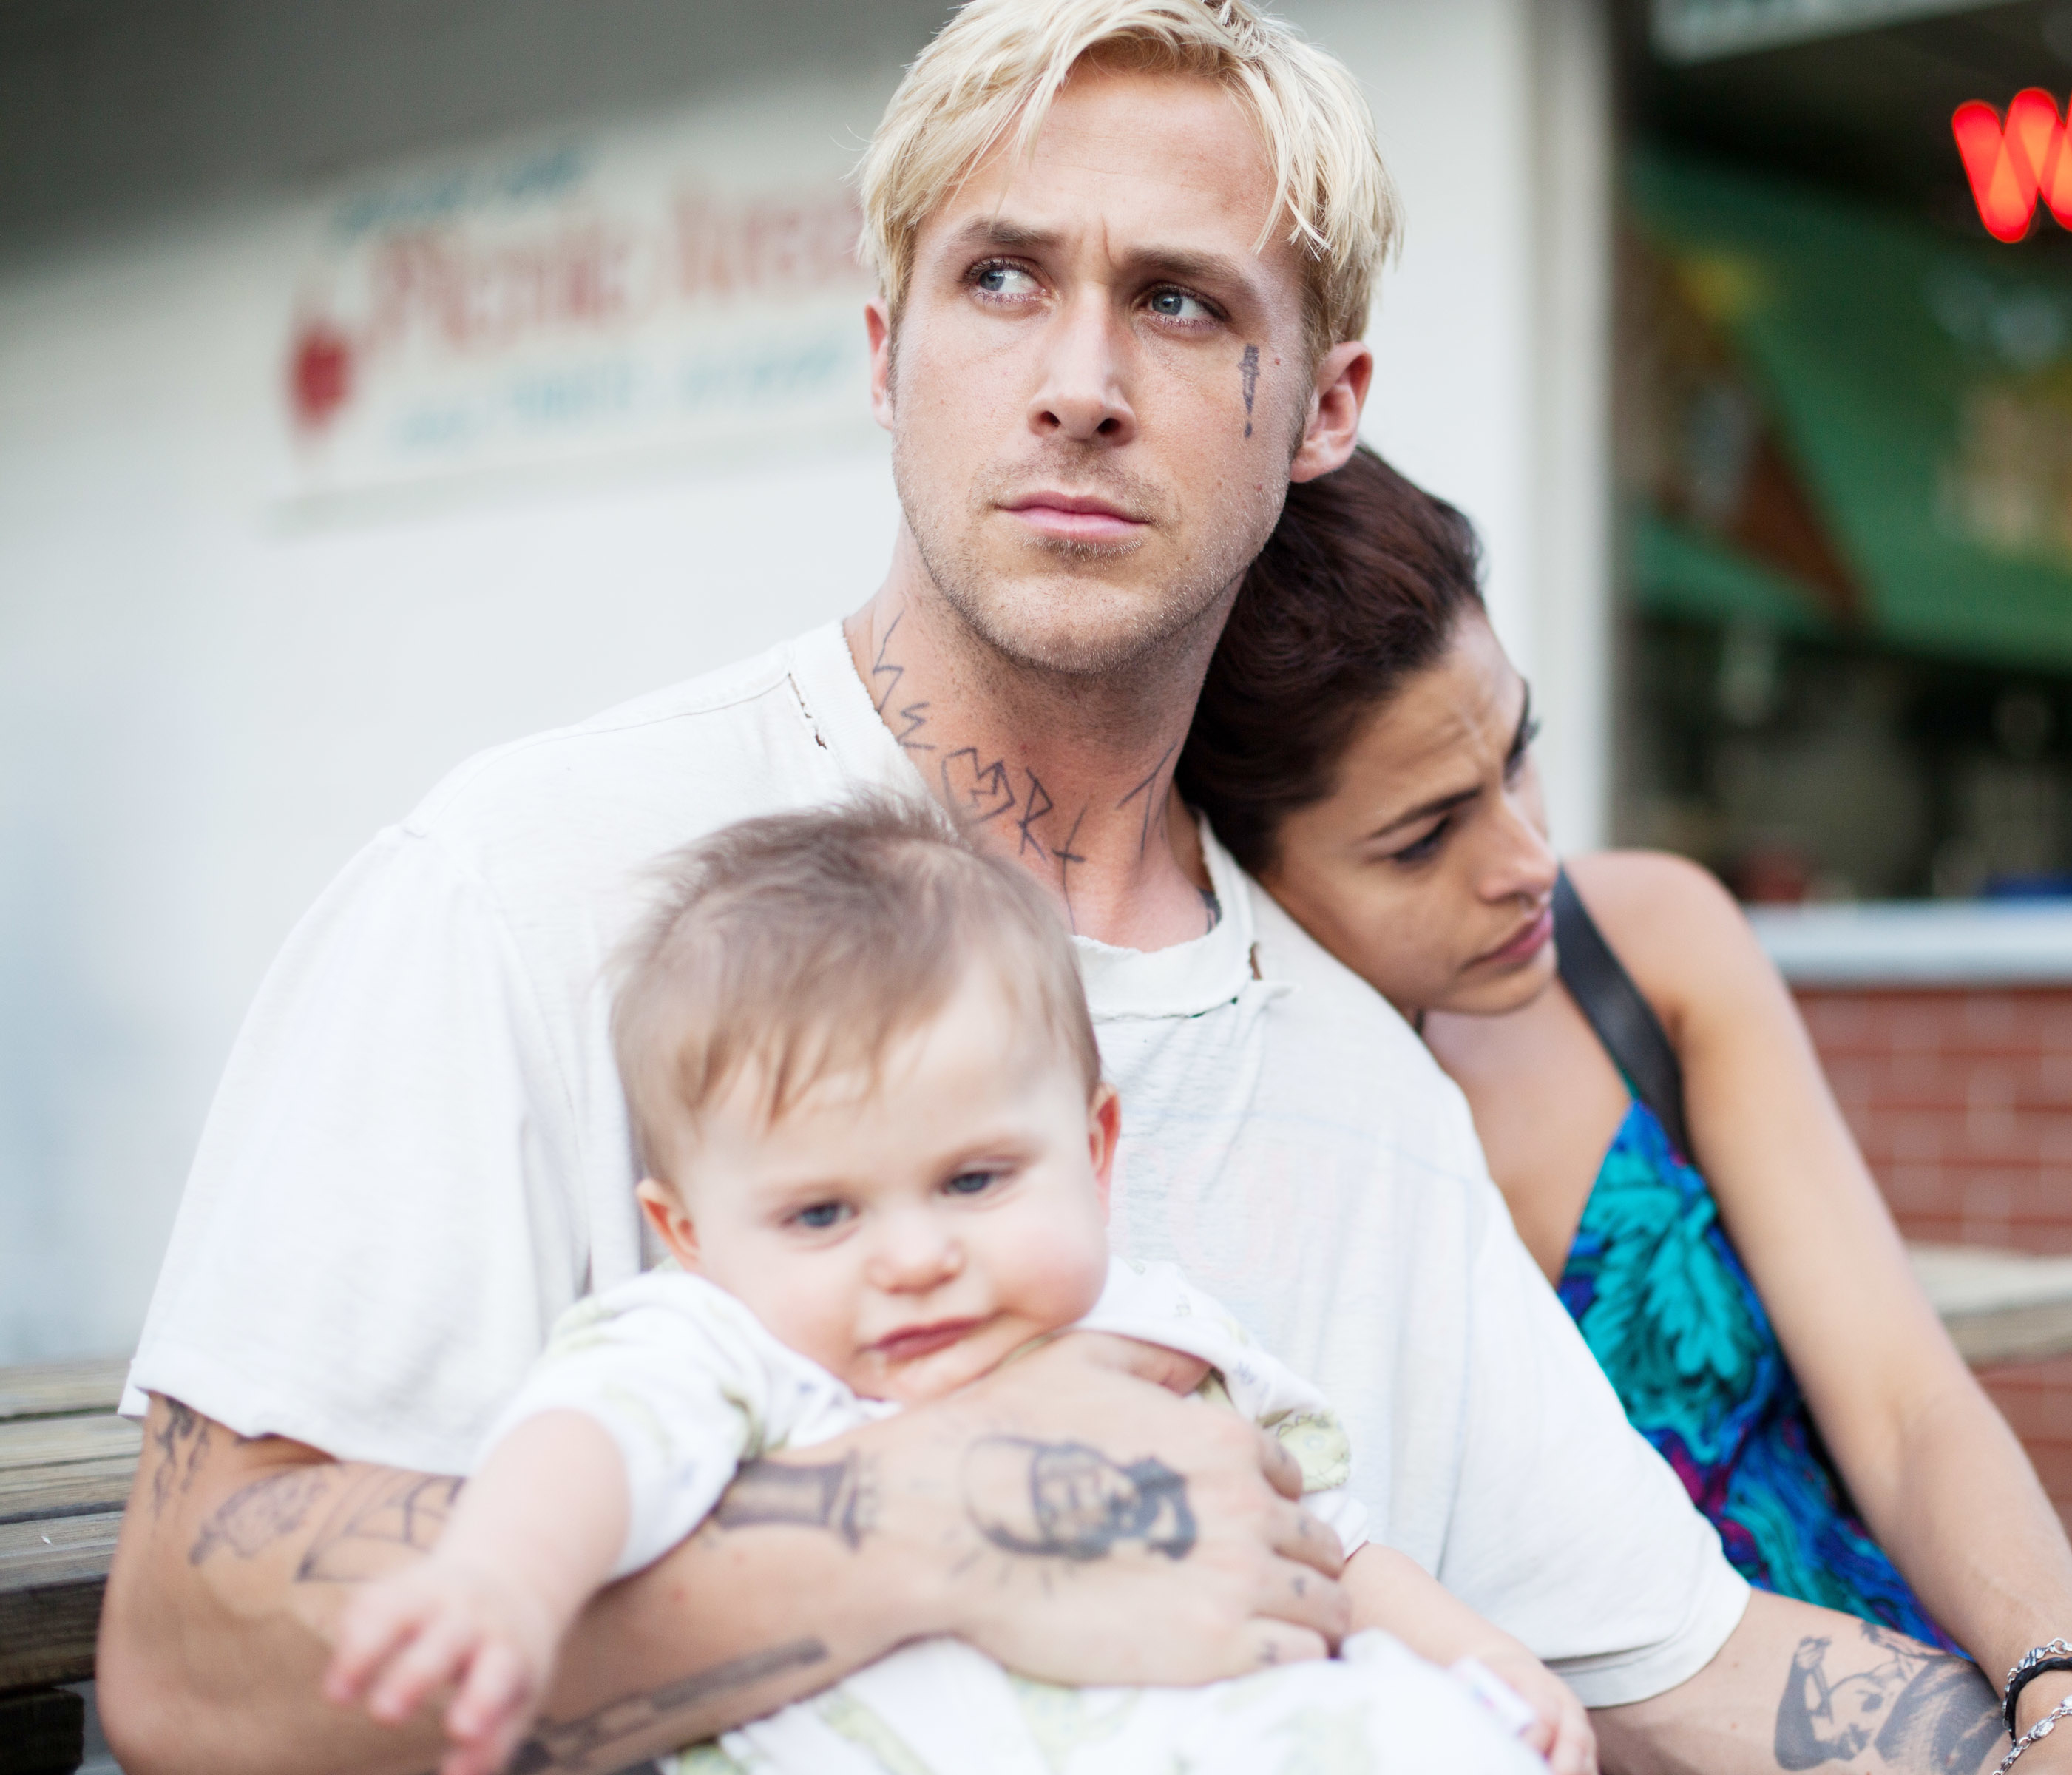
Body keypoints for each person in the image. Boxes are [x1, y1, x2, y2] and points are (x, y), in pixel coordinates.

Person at [99, 7, 1763, 1774]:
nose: (1079, 380)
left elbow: (1664, 1663)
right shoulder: (523, 886)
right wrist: (950, 1526)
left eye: (1183, 302)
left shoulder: (1363, 1082)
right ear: (885, 349)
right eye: (1001, 280)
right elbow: (191, 1666)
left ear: (1326, 407)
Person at [1176, 448, 2072, 1775]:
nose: (1526, 860)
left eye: (1521, 755)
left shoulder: (1646, 946)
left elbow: (1903, 1399)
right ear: (1242, 861)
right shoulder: (1230, 1138)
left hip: (1921, 1711)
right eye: (1423, 836)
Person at [320, 799, 1588, 1775]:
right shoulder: (726, 1351)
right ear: (689, 1233)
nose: (916, 1256)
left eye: (976, 1182)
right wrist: (501, 1582)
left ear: (1093, 1152)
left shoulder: (1151, 1334)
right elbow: (587, 1445)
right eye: (822, 1213)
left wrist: (1474, 1651)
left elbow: (1326, 1542)